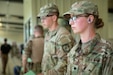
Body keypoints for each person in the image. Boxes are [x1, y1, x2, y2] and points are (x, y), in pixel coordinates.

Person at [63, 1, 113, 75]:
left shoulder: (107, 51)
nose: (70, 22)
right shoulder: (73, 52)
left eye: (75, 17)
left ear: (90, 19)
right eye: (70, 18)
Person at [37, 3, 74, 75]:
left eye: (44, 18)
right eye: (41, 18)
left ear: (54, 18)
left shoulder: (63, 35)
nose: (42, 21)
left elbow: (65, 62)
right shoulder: (48, 34)